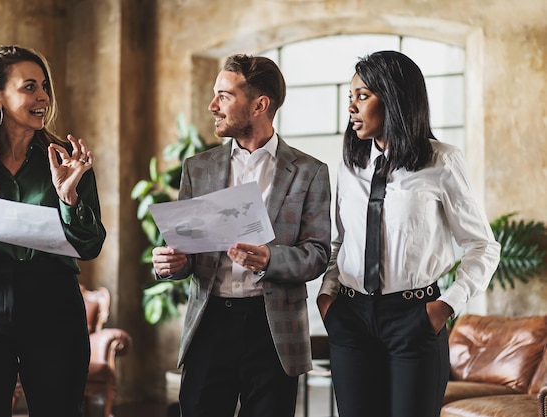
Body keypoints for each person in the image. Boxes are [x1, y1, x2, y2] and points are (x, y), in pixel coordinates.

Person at [317, 50, 501, 417]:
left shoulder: (442, 161)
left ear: (395, 97)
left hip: (414, 320)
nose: (351, 108)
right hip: (350, 318)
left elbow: (482, 246)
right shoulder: (350, 166)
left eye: (363, 96)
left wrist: (445, 306)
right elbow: (342, 242)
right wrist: (326, 300)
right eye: (350, 98)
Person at [152, 54, 331, 417]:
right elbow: (184, 251)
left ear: (260, 105)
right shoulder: (197, 168)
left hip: (273, 330)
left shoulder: (310, 171)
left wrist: (270, 259)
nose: (212, 106)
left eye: (225, 96)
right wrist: (171, 262)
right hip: (210, 323)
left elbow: (317, 253)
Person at [0, 45, 106, 417]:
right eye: (29, 87)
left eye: (44, 86)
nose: (43, 96)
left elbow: (91, 245)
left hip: (53, 304)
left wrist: (69, 197)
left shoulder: (68, 162)